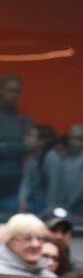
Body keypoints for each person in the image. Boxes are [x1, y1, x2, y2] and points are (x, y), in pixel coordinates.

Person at [22, 123, 83, 214]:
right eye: (72, 138)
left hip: (78, 202)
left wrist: (70, 202)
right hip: (60, 201)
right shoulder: (60, 157)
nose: (75, 142)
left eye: (80, 139)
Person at [0, 74, 31, 210]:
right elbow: (24, 145)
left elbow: (30, 147)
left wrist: (5, 146)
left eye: (17, 91)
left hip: (16, 181)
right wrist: (19, 146)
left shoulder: (23, 118)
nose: (15, 95)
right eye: (11, 90)